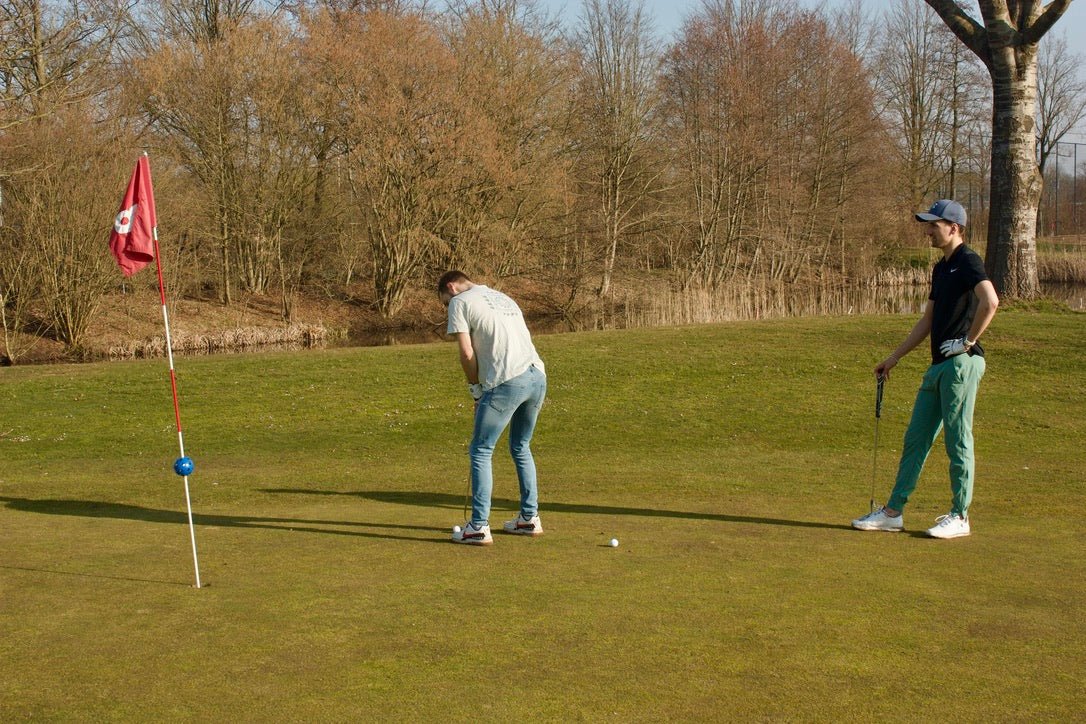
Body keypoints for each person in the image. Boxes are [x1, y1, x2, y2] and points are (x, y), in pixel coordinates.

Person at [852, 199, 999, 539]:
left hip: (961, 364)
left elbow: (990, 301)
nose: (928, 231)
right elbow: (927, 321)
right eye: (928, 225)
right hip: (938, 367)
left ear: (954, 228)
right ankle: (893, 513)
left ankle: (960, 516)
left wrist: (967, 341)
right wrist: (894, 357)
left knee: (958, 440)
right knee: (916, 439)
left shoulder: (968, 261)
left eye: (934, 225)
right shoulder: (940, 268)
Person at [438, 270, 547, 545]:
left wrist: (476, 390)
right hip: (537, 376)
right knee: (520, 446)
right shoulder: (502, 296)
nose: (447, 307)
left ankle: (478, 527)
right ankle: (529, 519)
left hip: (507, 381)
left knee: (481, 449)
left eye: (444, 302)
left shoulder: (459, 302)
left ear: (451, 287)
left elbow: (466, 353)